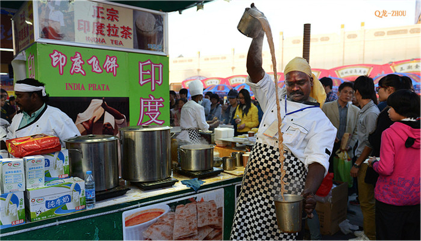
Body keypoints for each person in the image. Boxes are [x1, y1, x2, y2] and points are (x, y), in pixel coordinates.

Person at [230, 7, 336, 240]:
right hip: (253, 189)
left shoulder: (321, 122)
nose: (295, 87)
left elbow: (318, 161)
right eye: (290, 83)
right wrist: (258, 36)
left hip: (285, 195)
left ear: (311, 81)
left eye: (300, 82)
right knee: (244, 234)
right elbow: (255, 70)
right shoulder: (274, 99)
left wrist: (308, 192)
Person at [368, 90, 421, 241]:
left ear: (400, 109)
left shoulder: (390, 133)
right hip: (417, 196)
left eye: (391, 107)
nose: (388, 111)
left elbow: (386, 168)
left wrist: (374, 163)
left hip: (392, 198)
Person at [1, 78, 80, 148]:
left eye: (20, 96)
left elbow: (75, 145)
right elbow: (10, 141)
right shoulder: (17, 118)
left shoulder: (57, 116)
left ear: (34, 97)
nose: (16, 100)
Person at [364, 74, 413, 186]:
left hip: (389, 179)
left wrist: (374, 163)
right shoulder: (414, 125)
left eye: (379, 88)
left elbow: (385, 167)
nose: (378, 92)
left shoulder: (389, 121)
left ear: (390, 89)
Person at [349, 76, 380, 241]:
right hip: (363, 159)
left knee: (367, 202)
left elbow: (369, 143)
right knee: (364, 200)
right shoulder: (366, 110)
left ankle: (370, 236)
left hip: (366, 162)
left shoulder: (371, 113)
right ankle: (367, 231)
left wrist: (357, 163)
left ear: (358, 92)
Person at [322, 82, 359, 172]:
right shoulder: (326, 107)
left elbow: (356, 131)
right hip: (329, 146)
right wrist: (330, 136)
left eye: (350, 93)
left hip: (345, 148)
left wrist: (350, 145)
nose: (348, 95)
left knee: (343, 174)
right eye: (345, 92)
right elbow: (321, 125)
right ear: (338, 93)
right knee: (329, 173)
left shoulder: (356, 111)